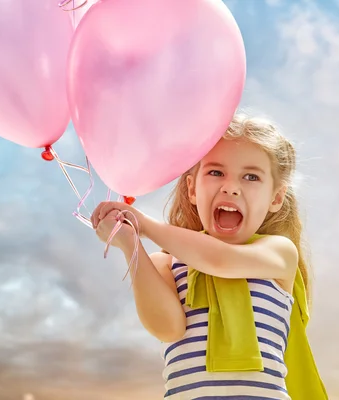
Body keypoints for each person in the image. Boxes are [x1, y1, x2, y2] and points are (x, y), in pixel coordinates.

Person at [91, 113, 326, 399]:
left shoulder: (278, 252)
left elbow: (221, 260)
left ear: (275, 198)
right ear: (192, 188)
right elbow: (168, 328)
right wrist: (131, 245)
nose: (230, 186)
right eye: (216, 172)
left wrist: (146, 226)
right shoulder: (165, 263)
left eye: (251, 177)